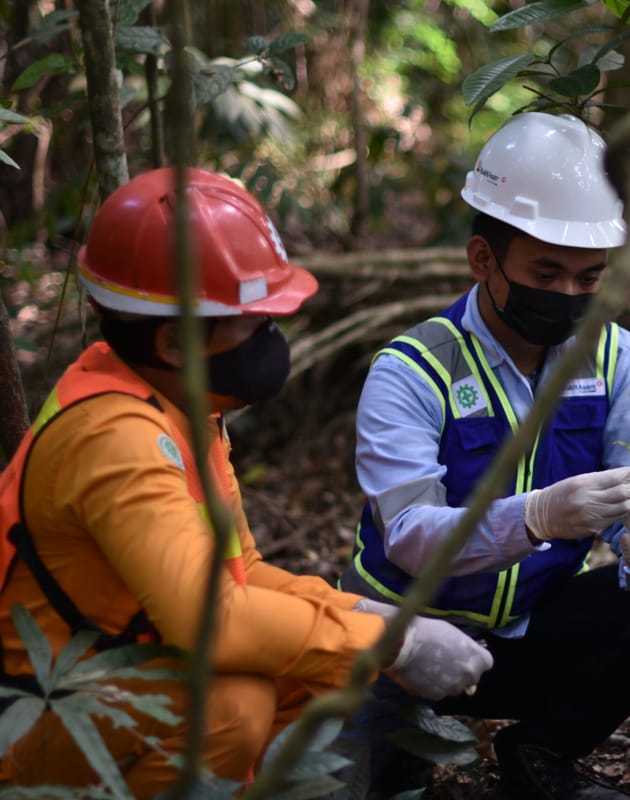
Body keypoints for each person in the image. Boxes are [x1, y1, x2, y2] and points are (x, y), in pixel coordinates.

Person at [0, 168, 492, 797]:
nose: (273, 338)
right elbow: (211, 620)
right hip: (36, 714)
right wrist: (390, 643)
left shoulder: (183, 410)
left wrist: (362, 613)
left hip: (118, 660)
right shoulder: (116, 440)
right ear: (177, 340)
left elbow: (241, 571)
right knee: (233, 703)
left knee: (331, 669)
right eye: (257, 323)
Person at [339, 112, 630, 799]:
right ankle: (400, 734)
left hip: (525, 635)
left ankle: (540, 754)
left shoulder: (620, 359)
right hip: (401, 640)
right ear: (483, 259)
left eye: (589, 277)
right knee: (360, 786)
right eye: (548, 271)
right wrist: (537, 516)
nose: (570, 294)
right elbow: (411, 538)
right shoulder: (411, 369)